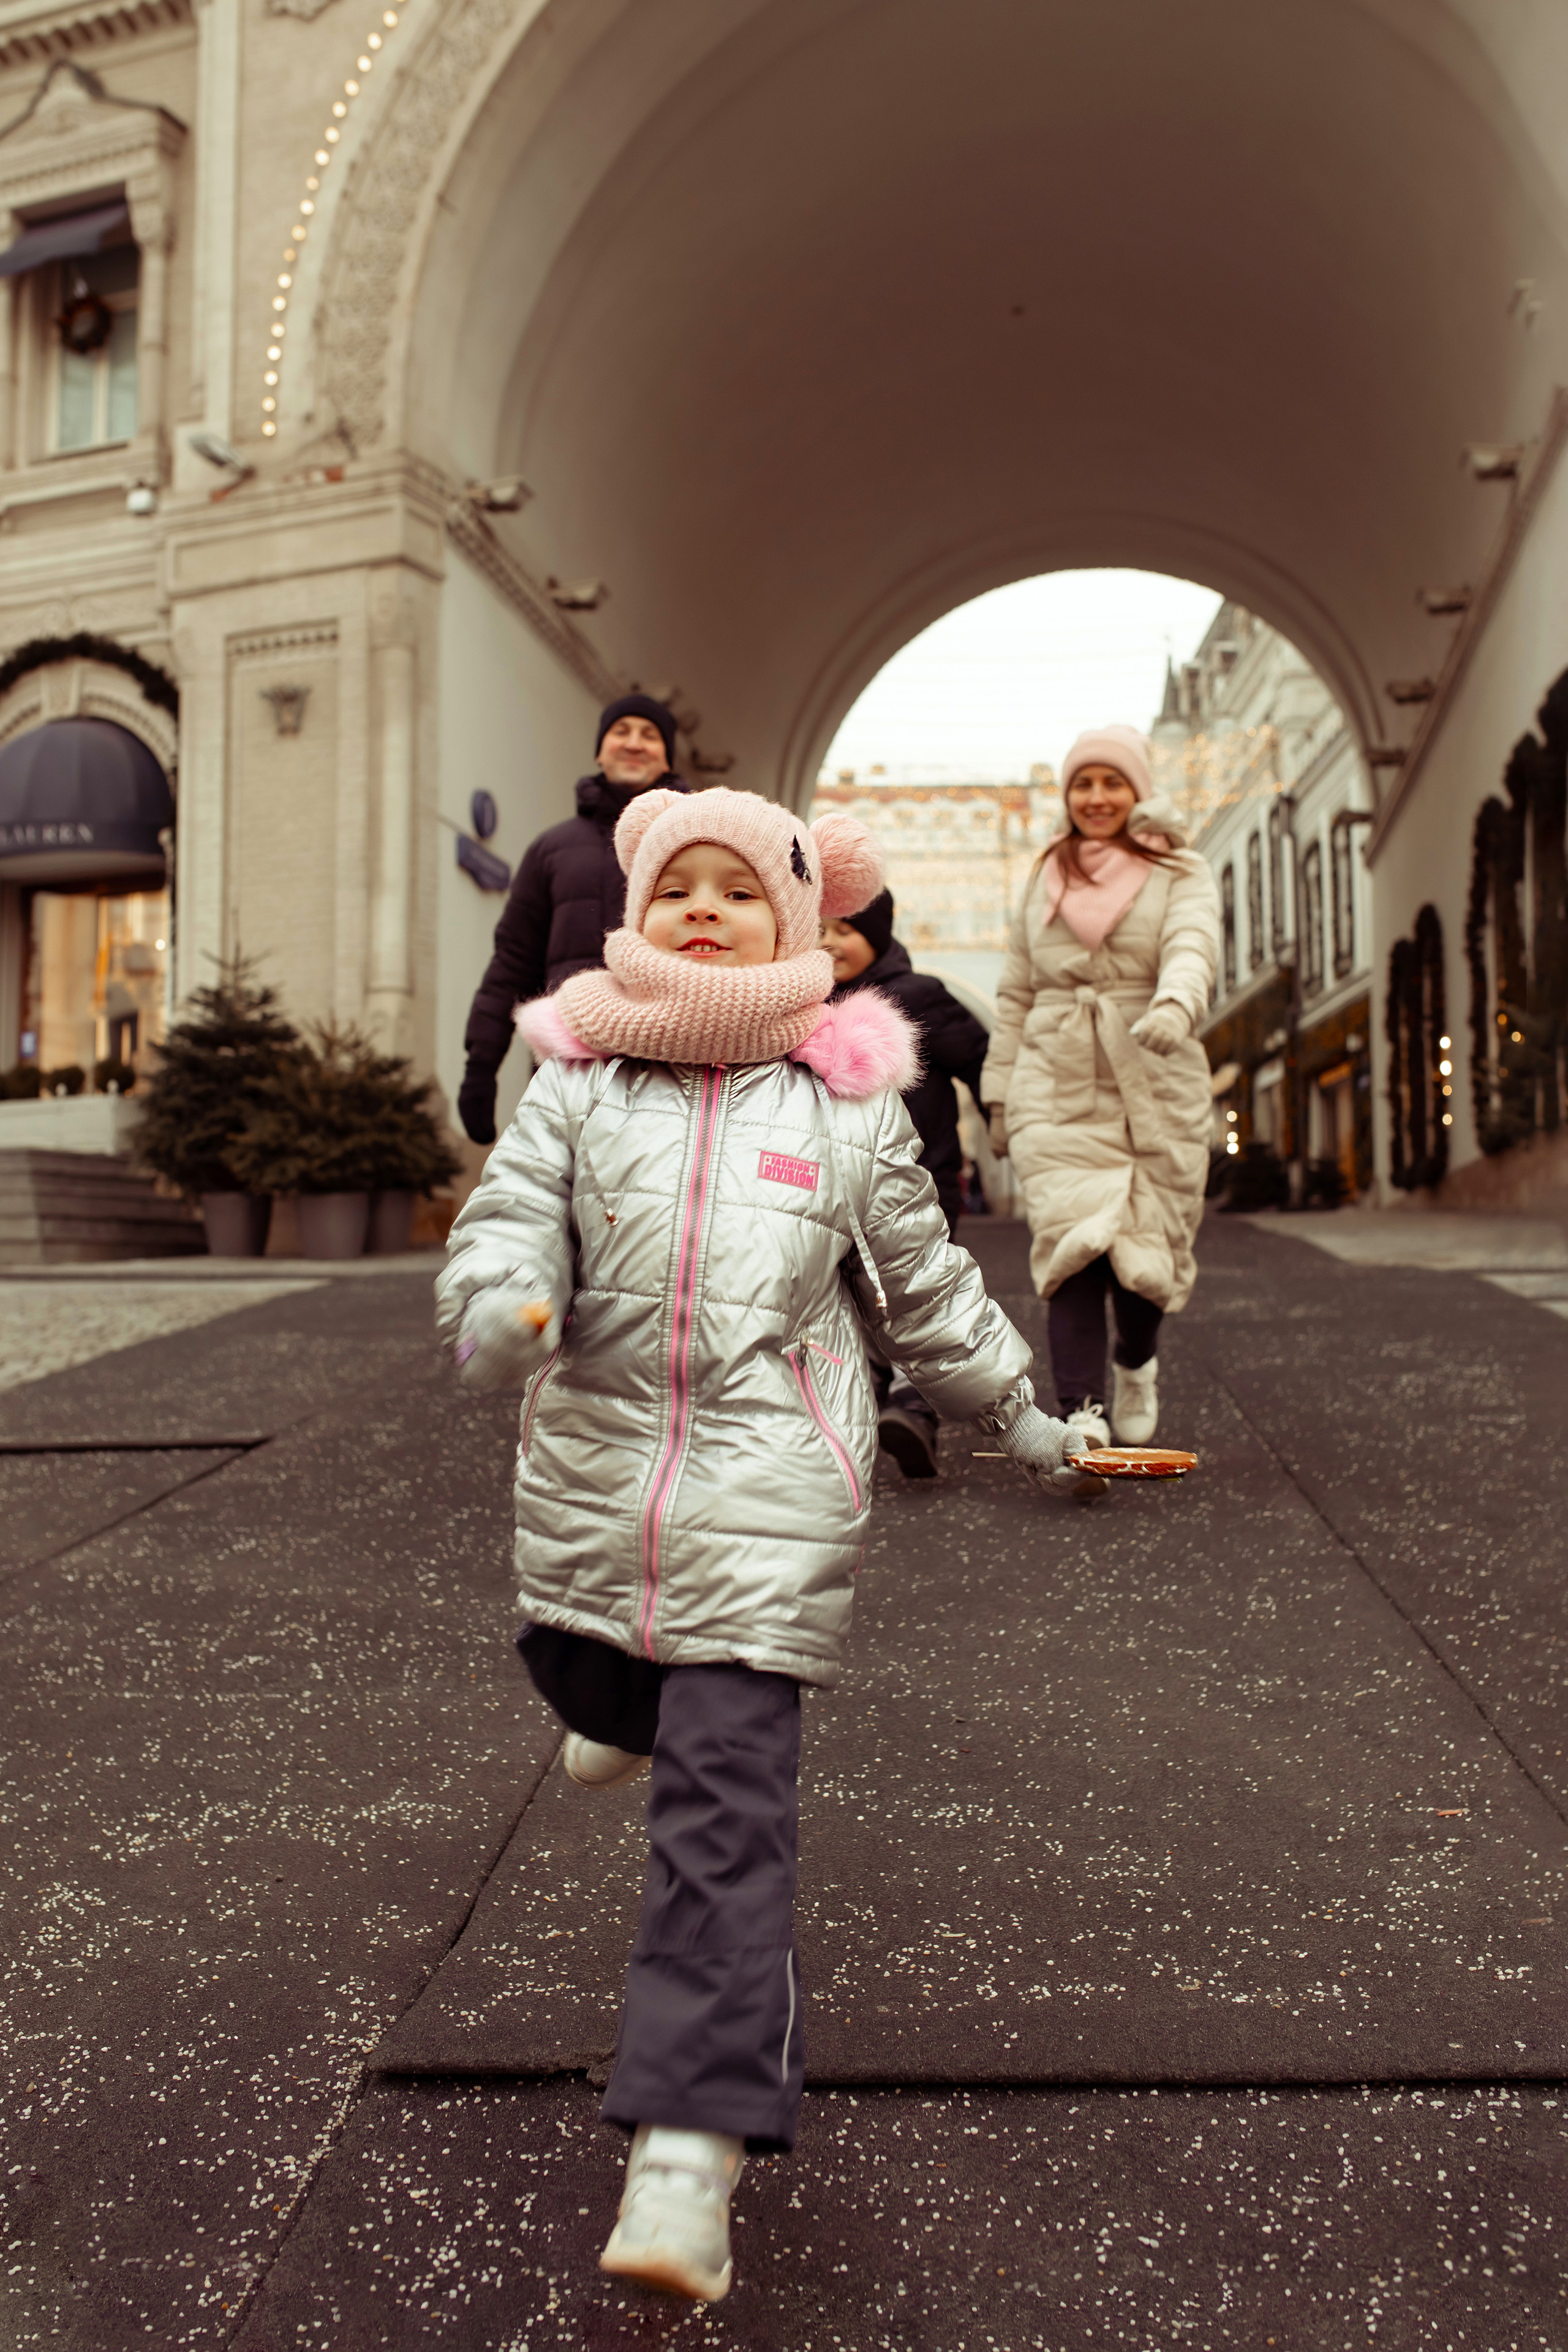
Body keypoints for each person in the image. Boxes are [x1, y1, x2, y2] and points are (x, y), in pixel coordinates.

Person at [437, 785, 1102, 2305]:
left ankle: (688, 2145)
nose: (703, 910)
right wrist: (500, 1298)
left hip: (769, 1492)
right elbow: (509, 1212)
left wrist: (1027, 1414)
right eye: (679, 886)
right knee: (585, 1674)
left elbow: (926, 1288)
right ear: (632, 910)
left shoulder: (844, 1100)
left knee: (725, 1821)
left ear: (796, 925)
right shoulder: (580, 1074)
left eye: (741, 891)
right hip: (597, 1483)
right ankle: (618, 1702)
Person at [979, 724, 1220, 1453]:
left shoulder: (1181, 869)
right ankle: (1081, 1413)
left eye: (1111, 781)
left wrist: (1175, 1004)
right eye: (1082, 783)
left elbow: (1192, 943)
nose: (1096, 797)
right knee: (1072, 1249)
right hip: (1055, 1080)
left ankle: (1136, 1360)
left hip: (1154, 1070)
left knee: (1146, 1256)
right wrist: (998, 1093)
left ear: (1137, 789)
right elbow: (1017, 990)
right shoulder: (1045, 873)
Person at [456, 693, 685, 1145]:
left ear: (667, 756)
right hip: (568, 1060)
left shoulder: (697, 842)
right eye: (621, 732)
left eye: (650, 735)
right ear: (600, 750)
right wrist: (482, 1064)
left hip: (673, 1058)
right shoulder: (550, 849)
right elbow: (513, 963)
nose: (634, 743)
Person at [823, 888, 992, 1479]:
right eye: (816, 928)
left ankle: (914, 1409)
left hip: (922, 1177)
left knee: (912, 1290)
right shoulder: (803, 1004)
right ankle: (871, 1398)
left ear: (877, 933)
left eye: (843, 929)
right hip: (833, 1182)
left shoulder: (919, 997)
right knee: (846, 1292)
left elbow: (980, 1058)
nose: (827, 941)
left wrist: (1003, 1127)